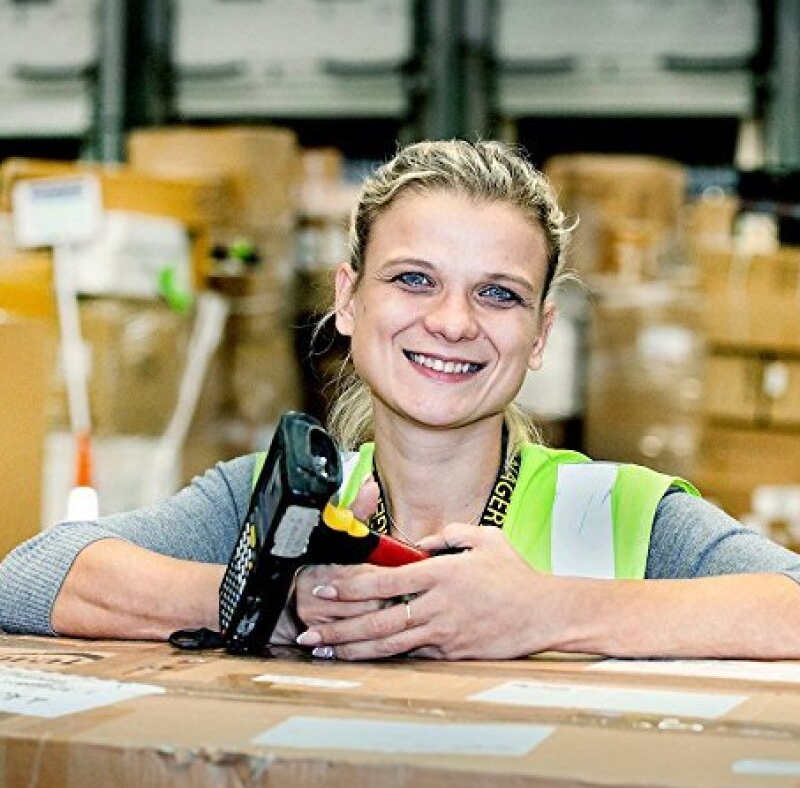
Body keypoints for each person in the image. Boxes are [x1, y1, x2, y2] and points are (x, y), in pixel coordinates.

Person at [2, 139, 800, 662]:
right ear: (348, 299)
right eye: (414, 279)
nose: (452, 322)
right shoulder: (271, 502)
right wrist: (269, 595)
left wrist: (547, 612)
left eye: (499, 293)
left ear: (541, 334)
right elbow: (28, 576)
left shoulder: (619, 514)